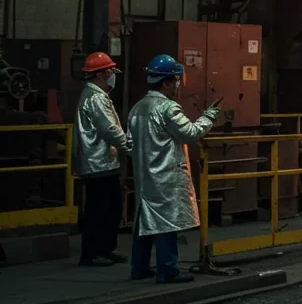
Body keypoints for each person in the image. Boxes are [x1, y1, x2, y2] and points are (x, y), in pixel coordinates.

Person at [127, 54, 220, 283]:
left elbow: (129, 143)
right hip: (166, 175)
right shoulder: (168, 108)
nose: (178, 85)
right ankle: (167, 270)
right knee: (167, 222)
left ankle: (138, 268)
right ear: (167, 82)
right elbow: (190, 134)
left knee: (145, 221)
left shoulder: (138, 108)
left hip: (144, 174)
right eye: (176, 80)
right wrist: (209, 116)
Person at [75, 51, 131, 267]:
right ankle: (91, 254)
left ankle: (105, 249)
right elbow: (109, 130)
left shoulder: (96, 95)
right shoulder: (96, 98)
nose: (112, 74)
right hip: (98, 164)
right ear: (99, 75)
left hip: (104, 162)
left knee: (111, 208)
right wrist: (130, 147)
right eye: (109, 71)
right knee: (99, 210)